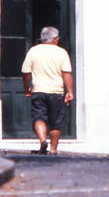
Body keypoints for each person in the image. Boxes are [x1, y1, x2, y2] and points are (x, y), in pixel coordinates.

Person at [21, 26, 73, 154]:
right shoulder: (61, 52)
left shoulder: (33, 51)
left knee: (39, 118)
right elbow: (66, 73)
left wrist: (26, 87)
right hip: (56, 92)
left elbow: (26, 72)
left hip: (38, 90)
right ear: (55, 39)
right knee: (55, 122)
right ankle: (53, 149)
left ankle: (43, 141)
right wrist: (70, 91)